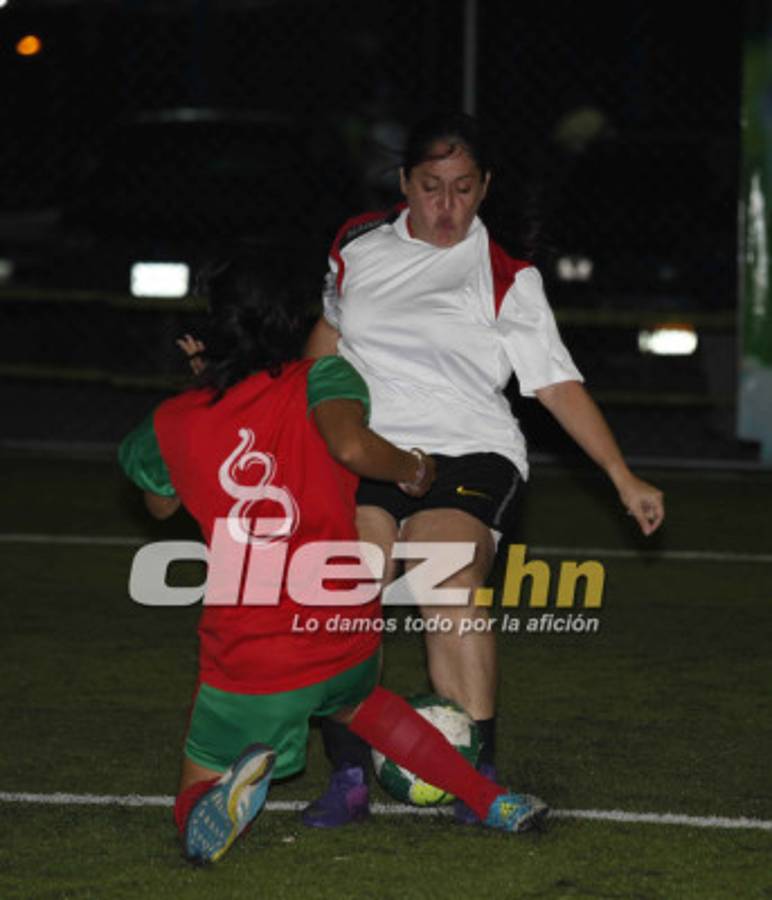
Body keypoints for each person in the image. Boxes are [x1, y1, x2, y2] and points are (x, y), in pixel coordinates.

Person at [118, 253, 548, 865]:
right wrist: (413, 468)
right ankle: (488, 798)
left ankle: (208, 806)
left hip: (252, 653)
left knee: (198, 778)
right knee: (366, 705)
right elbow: (350, 444)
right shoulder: (324, 379)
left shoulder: (173, 421)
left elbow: (159, 504)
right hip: (342, 631)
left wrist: (202, 388)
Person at [304, 110, 665, 827]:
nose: (447, 206)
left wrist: (622, 476)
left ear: (486, 187)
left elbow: (556, 386)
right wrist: (296, 423)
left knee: (443, 576)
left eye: (464, 188)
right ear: (404, 182)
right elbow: (326, 345)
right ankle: (348, 774)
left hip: (470, 451)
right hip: (373, 448)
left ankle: (480, 781)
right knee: (345, 581)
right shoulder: (356, 247)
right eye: (431, 186)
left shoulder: (507, 277)